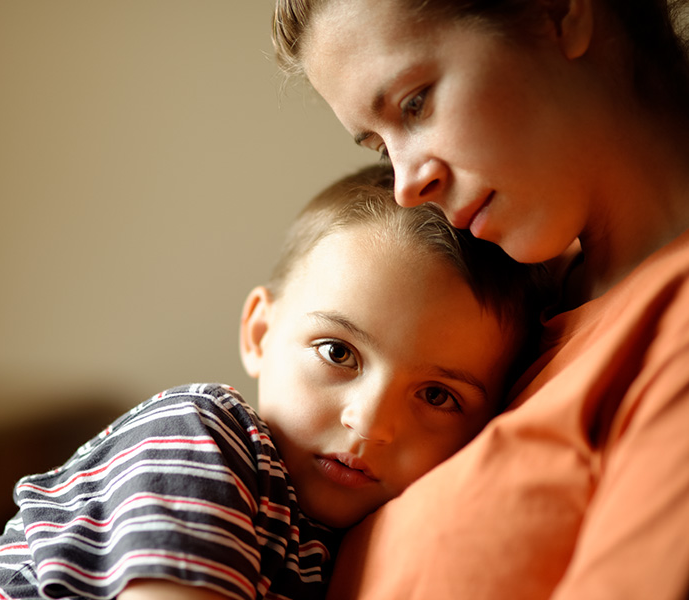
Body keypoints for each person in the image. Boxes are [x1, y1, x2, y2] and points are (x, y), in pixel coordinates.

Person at [0, 164, 549, 600]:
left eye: (437, 396)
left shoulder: (343, 538)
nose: (369, 422)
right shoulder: (200, 436)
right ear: (260, 333)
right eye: (338, 351)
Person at [271, 0, 689, 598]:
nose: (408, 187)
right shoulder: (500, 317)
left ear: (559, 12)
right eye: (380, 148)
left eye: (415, 104)